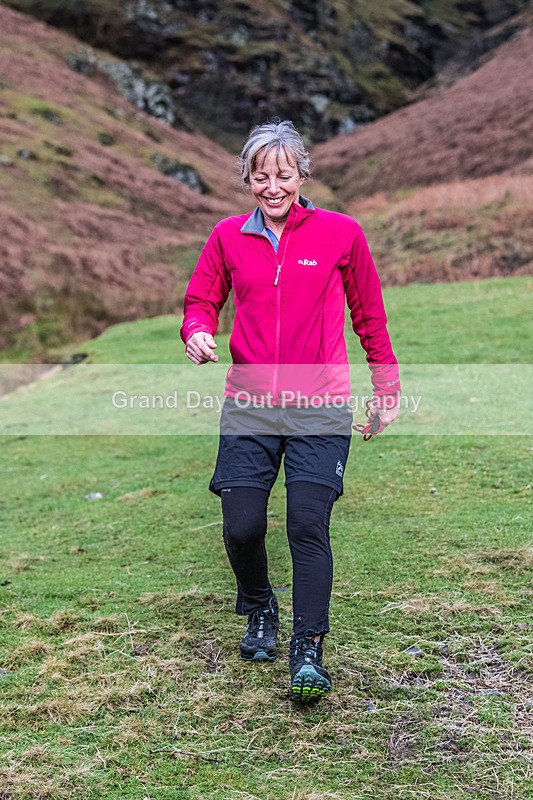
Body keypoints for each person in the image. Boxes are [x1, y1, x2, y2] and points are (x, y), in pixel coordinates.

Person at [180, 119, 400, 702]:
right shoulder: (227, 236)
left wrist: (386, 387)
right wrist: (196, 330)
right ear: (247, 180)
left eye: (283, 175)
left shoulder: (341, 233)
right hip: (250, 405)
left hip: (320, 406)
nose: (272, 187)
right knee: (242, 525)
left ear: (302, 175)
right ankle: (259, 607)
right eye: (261, 177)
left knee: (306, 523)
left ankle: (308, 649)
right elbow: (202, 299)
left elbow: (369, 315)